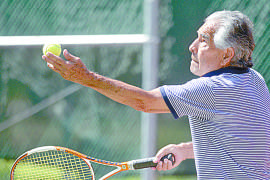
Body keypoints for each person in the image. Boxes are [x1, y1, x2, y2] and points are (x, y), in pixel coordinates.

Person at [42, 10, 270, 179]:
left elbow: (145, 102)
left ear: (226, 55)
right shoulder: (255, 80)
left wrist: (85, 77)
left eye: (203, 41)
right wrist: (183, 150)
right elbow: (246, 141)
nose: (192, 46)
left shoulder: (211, 89)